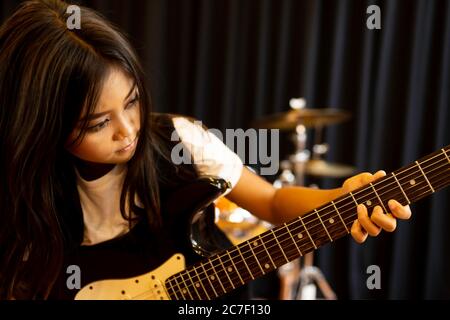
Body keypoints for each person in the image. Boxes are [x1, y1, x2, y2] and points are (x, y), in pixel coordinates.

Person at [0, 0, 411, 300]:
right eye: (97, 123)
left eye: (131, 101)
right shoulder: (21, 192)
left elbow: (270, 200)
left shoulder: (181, 140)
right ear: (44, 126)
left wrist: (341, 199)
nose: (128, 131)